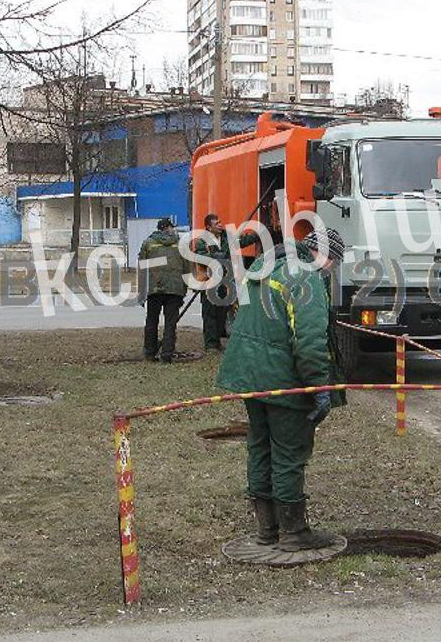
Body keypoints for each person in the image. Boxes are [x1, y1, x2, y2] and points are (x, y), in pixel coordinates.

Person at [217, 227, 347, 551]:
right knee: (290, 451)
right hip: (282, 381)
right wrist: (320, 388)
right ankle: (294, 532)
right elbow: (309, 342)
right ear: (324, 255)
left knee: (260, 446)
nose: (332, 269)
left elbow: (238, 315)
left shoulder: (267, 264)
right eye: (334, 261)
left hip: (249, 375)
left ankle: (267, 529)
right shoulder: (306, 279)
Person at [192, 213, 256, 353]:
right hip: (209, 282)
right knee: (210, 314)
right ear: (209, 227)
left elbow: (242, 241)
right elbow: (199, 255)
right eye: (217, 223)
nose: (220, 225)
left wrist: (256, 235)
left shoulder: (228, 237)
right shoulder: (202, 241)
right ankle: (210, 345)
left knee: (222, 312)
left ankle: (218, 343)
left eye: (220, 222)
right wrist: (213, 257)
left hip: (225, 281)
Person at [138, 217, 191, 363]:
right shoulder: (181, 244)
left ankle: (150, 352)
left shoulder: (148, 243)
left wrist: (142, 291)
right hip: (174, 289)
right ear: (168, 227)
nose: (174, 229)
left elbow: (142, 267)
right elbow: (187, 267)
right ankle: (167, 354)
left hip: (154, 288)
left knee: (151, 321)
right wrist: (185, 287)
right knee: (170, 323)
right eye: (172, 227)